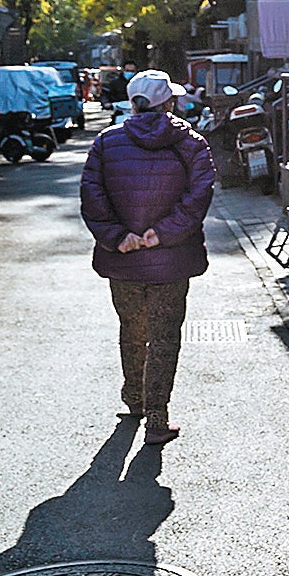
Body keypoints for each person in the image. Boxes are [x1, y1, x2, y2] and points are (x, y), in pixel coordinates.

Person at [78, 69, 216, 445]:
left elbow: (92, 195)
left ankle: (135, 399)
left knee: (132, 330)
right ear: (168, 102)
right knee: (164, 337)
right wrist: (163, 232)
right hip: (171, 259)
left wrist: (118, 237)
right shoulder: (191, 142)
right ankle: (157, 419)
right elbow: (199, 196)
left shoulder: (107, 143)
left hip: (122, 259)